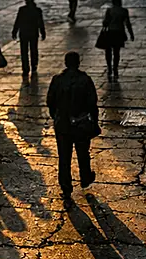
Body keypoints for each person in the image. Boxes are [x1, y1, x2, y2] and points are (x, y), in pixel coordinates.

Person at [47, 51, 98, 195]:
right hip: (81, 123)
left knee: (64, 156)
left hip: (62, 123)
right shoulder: (85, 80)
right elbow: (92, 103)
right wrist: (94, 121)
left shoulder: (57, 80)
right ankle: (85, 177)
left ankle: (65, 185)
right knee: (83, 153)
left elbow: (50, 101)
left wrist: (56, 116)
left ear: (65, 63)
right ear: (78, 63)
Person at [97, 0, 134, 78]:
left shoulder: (109, 10)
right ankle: (115, 68)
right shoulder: (124, 11)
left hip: (110, 32)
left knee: (108, 51)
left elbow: (105, 22)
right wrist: (131, 34)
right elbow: (127, 23)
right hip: (119, 32)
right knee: (116, 52)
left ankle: (109, 67)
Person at [12, 0, 46, 80]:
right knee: (34, 50)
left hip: (24, 33)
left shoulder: (22, 10)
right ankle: (34, 66)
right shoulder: (37, 10)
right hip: (33, 33)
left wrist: (15, 31)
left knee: (24, 52)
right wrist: (42, 32)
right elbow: (40, 22)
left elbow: (18, 21)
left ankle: (25, 69)